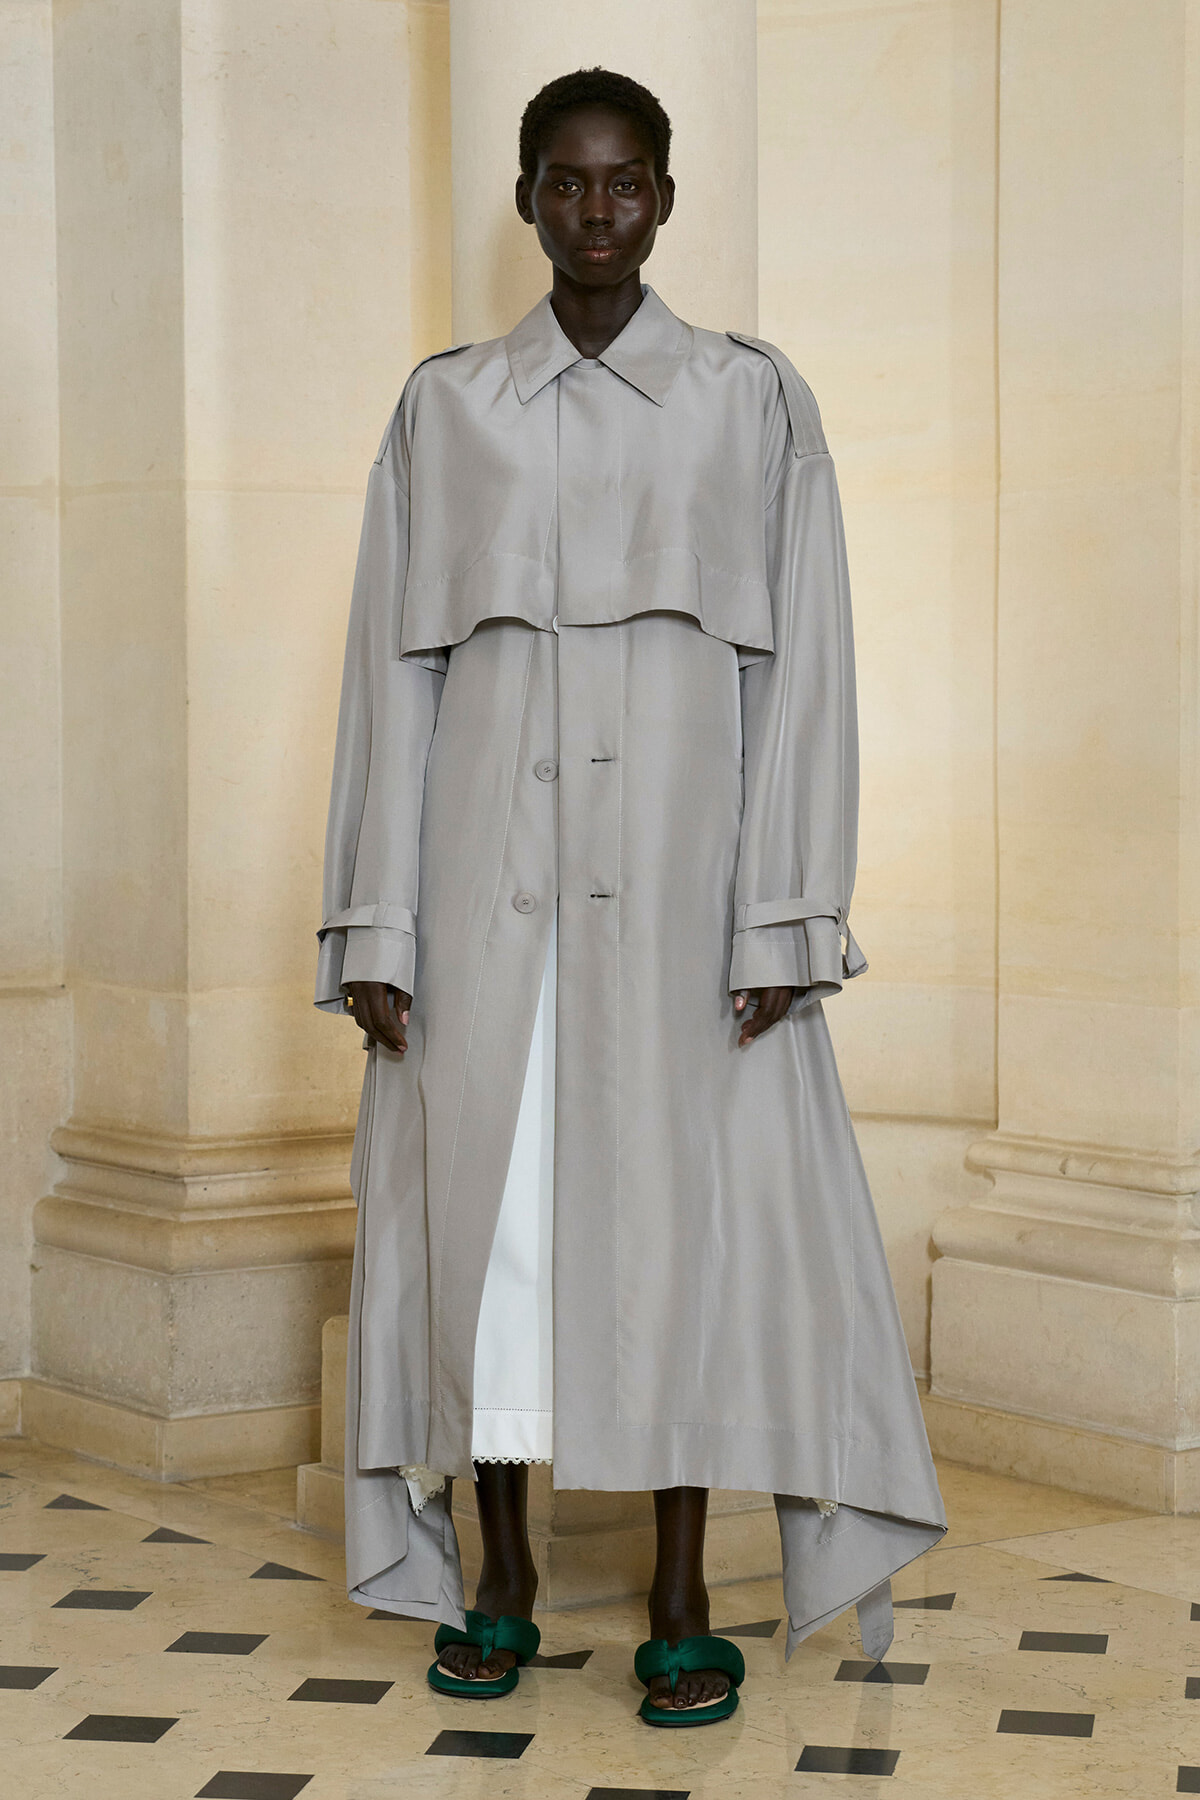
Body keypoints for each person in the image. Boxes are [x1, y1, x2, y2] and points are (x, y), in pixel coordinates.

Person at [316, 67, 945, 1726]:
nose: (597, 212)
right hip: (480, 907)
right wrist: (378, 920)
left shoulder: (752, 404)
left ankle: (681, 1595)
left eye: (627, 184)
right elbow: (394, 680)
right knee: (497, 1244)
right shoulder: (443, 409)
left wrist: (786, 915)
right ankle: (503, 1577)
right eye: (567, 184)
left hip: (684, 904)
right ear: (528, 200)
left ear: (665, 200)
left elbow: (804, 673)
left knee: (685, 1242)